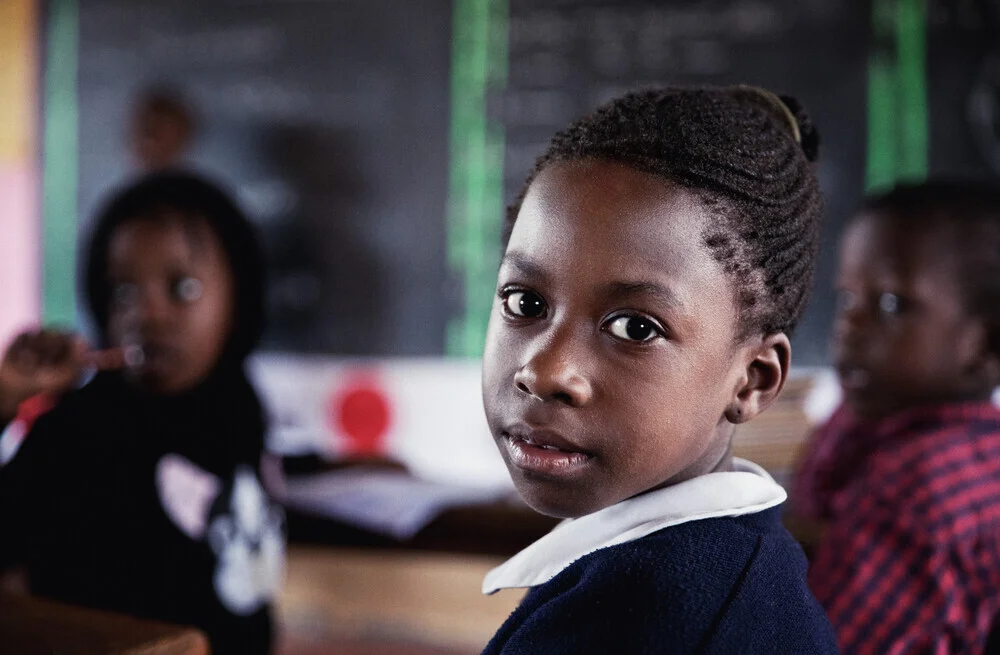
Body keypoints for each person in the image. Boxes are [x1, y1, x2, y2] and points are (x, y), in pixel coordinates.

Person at [479, 86, 836, 654]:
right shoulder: (726, 571)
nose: (544, 372)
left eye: (635, 328)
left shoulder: (644, 619)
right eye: (525, 303)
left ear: (753, 379)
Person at [0, 171, 284, 655]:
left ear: (239, 298)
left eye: (182, 288)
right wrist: (5, 397)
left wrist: (337, 468)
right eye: (122, 292)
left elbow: (237, 476)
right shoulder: (79, 431)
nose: (147, 314)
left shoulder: (237, 402)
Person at [792, 180, 1000, 654]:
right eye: (846, 299)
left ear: (983, 344)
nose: (849, 325)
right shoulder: (878, 413)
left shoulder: (915, 494)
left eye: (891, 305)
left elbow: (822, 645)